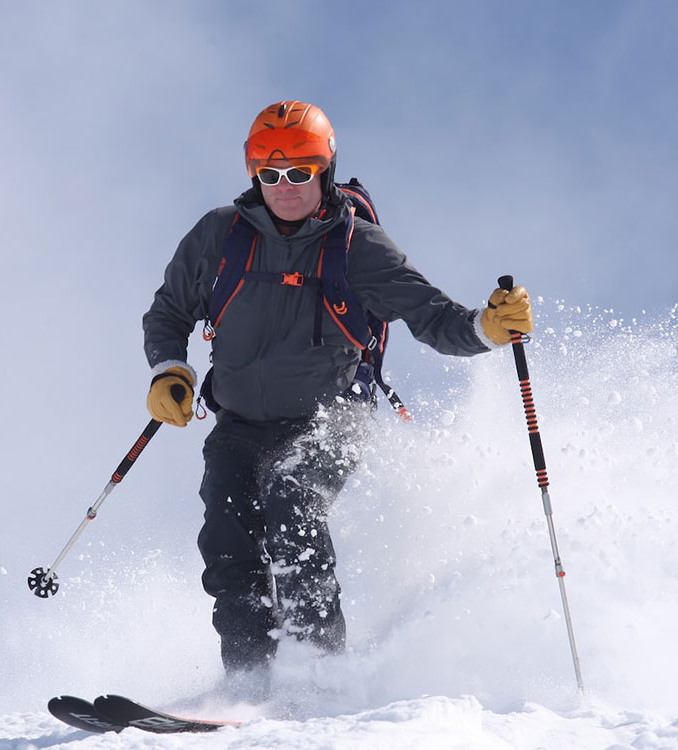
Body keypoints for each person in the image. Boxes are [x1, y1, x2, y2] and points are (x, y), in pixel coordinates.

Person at [141, 100, 532, 695]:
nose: (284, 187)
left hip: (332, 418)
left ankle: (317, 675)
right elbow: (169, 310)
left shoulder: (359, 248)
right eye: (270, 175)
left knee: (292, 499)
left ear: (324, 170)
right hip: (240, 424)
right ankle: (250, 684)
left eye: (299, 172)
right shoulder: (219, 237)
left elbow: (434, 319)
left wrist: (488, 327)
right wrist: (170, 370)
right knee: (227, 539)